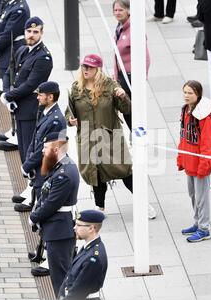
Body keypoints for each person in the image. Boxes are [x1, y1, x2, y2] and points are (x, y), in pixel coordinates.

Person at [66, 54, 156, 219]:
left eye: (90, 67)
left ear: (98, 69)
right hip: (87, 139)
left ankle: (143, 203)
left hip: (109, 137)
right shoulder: (76, 88)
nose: (86, 70)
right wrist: (70, 120)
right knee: (96, 174)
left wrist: (123, 96)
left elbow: (127, 109)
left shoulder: (110, 86)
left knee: (124, 171)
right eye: (84, 66)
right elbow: (69, 111)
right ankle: (99, 207)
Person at [29, 132, 80, 298]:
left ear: (56, 149)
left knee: (61, 278)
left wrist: (34, 217)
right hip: (58, 227)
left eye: (46, 148)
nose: (43, 151)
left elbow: (52, 204)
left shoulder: (63, 174)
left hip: (60, 230)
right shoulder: (61, 166)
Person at [0, 16, 53, 163]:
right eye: (29, 31)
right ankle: (30, 181)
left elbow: (31, 85)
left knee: (30, 150)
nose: (31, 34)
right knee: (22, 149)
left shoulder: (43, 58)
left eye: (35, 32)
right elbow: (8, 73)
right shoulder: (22, 50)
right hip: (19, 107)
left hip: (31, 110)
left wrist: (9, 97)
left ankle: (33, 182)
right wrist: (6, 94)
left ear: (41, 33)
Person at [14, 81, 67, 212]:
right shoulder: (45, 112)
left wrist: (27, 165)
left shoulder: (55, 120)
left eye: (40, 95)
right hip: (38, 166)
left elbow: (45, 148)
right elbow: (35, 139)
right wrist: (28, 160)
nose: (37, 97)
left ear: (50, 97)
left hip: (45, 168)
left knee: (42, 205)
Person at [177, 80, 211, 242]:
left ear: (198, 94)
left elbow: (207, 141)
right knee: (193, 195)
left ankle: (204, 228)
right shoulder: (186, 110)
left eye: (190, 93)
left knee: (202, 197)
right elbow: (183, 135)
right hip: (189, 160)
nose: (186, 96)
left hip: (200, 163)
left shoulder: (204, 115)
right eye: (185, 92)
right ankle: (198, 222)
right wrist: (181, 158)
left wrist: (205, 165)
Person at [113, 0, 150, 130]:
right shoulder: (119, 28)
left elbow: (145, 57)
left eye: (120, 10)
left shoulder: (134, 30)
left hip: (131, 77)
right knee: (126, 111)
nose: (117, 13)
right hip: (122, 77)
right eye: (115, 10)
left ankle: (137, 137)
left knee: (131, 111)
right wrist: (115, 75)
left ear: (128, 11)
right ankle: (134, 136)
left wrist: (141, 80)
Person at [59, 209, 107, 300]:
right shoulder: (89, 246)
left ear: (91, 228)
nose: (74, 228)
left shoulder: (93, 258)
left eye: (78, 225)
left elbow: (78, 292)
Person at [0, 0, 30, 97]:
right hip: (8, 43)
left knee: (6, 64)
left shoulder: (20, 9)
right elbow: (0, 23)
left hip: (13, 45)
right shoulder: (11, 3)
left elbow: (9, 34)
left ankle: (3, 87)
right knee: (0, 62)